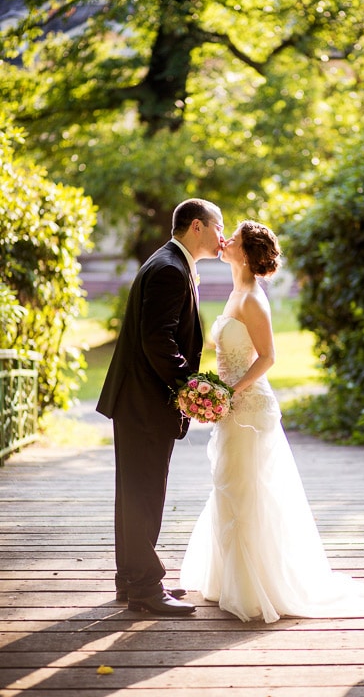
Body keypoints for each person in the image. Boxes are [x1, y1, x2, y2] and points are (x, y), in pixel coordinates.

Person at [179, 220, 364, 623]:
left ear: (246, 252)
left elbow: (268, 357)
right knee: (232, 486)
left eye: (233, 239)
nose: (225, 241)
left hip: (250, 410)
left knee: (250, 490)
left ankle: (260, 586)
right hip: (231, 406)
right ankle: (230, 580)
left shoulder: (254, 299)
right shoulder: (235, 292)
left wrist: (229, 392)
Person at [97, 198, 226, 615]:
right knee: (144, 494)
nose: (223, 236)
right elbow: (159, 339)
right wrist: (187, 387)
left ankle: (131, 578)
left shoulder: (170, 262)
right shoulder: (170, 268)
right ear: (196, 227)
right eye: (217, 226)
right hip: (145, 402)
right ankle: (146, 590)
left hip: (137, 401)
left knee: (134, 493)